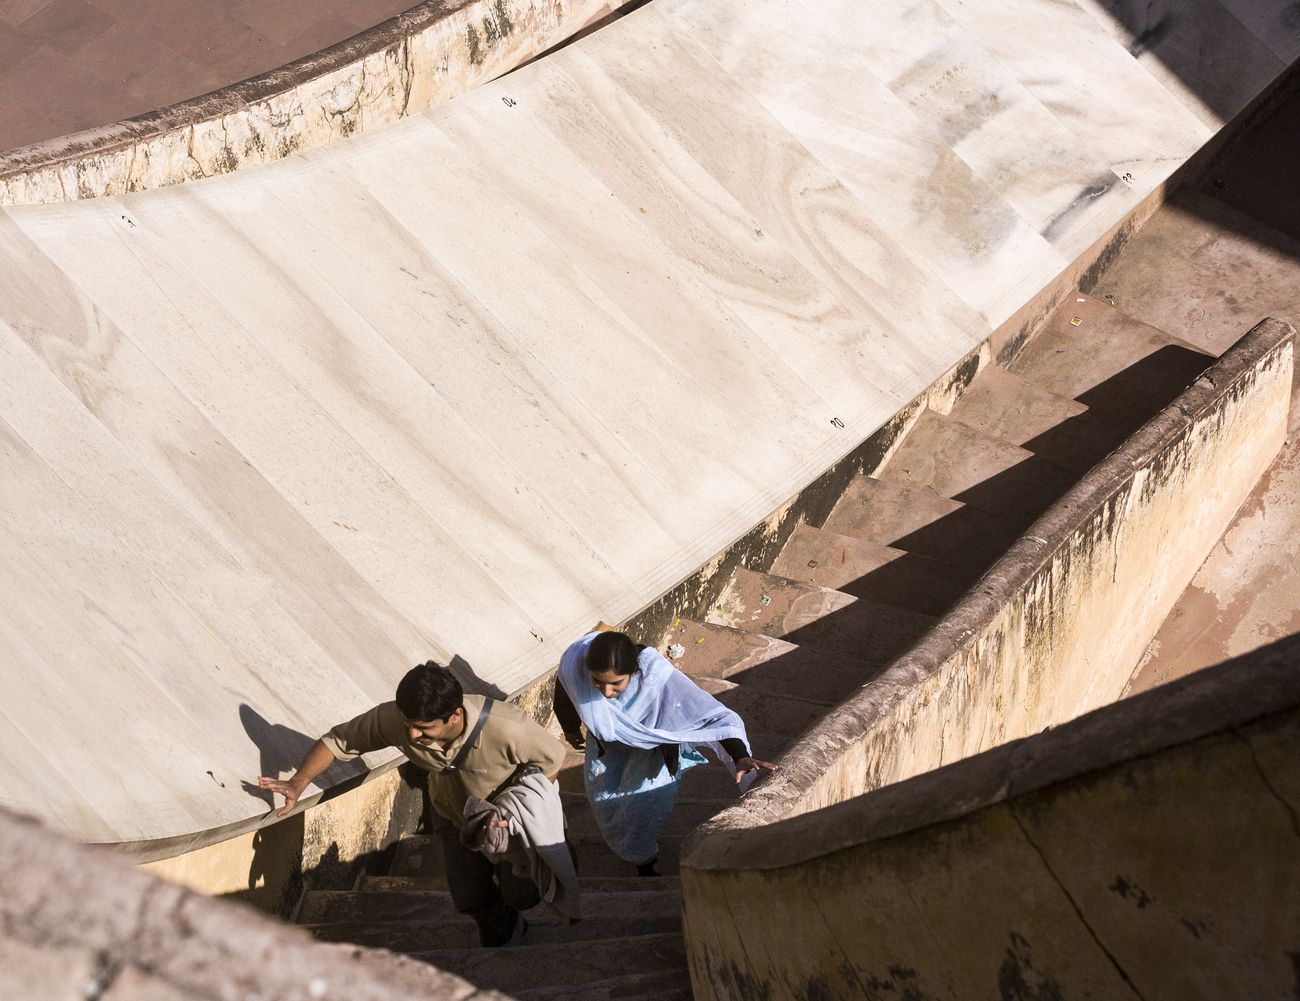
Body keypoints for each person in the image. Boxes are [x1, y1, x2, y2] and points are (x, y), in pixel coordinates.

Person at [257, 662, 567, 947]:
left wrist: (517, 810)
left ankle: (548, 873)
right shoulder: (399, 720)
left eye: (423, 728)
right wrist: (298, 782)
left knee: (523, 894)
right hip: (452, 817)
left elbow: (553, 759)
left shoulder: (507, 727)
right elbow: (337, 741)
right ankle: (502, 929)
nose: (411, 734)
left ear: (455, 716)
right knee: (469, 897)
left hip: (509, 826)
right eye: (408, 724)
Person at [553, 630, 776, 876]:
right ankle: (635, 853)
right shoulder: (578, 666)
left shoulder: (658, 680)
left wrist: (739, 756)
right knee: (607, 804)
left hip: (651, 761)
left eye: (616, 683)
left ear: (634, 671)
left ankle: (645, 860)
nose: (605, 692)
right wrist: (570, 727)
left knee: (641, 812)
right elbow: (566, 688)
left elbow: (710, 717)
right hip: (607, 756)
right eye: (597, 682)